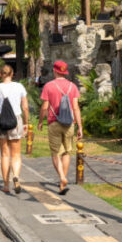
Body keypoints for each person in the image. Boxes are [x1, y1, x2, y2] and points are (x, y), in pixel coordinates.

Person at [38, 60, 83, 195]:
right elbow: (75, 107)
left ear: (54, 71)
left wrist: (40, 121)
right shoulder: (72, 86)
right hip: (69, 123)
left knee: (55, 153)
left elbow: (45, 107)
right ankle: (62, 184)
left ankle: (62, 178)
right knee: (66, 152)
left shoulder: (49, 86)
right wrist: (80, 126)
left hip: (54, 122)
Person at [0, 65, 29, 194]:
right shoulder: (19, 87)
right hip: (16, 120)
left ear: (1, 74)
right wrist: (26, 123)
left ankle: (6, 185)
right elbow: (25, 107)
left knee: (5, 154)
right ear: (12, 73)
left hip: (1, 121)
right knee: (16, 154)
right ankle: (16, 176)